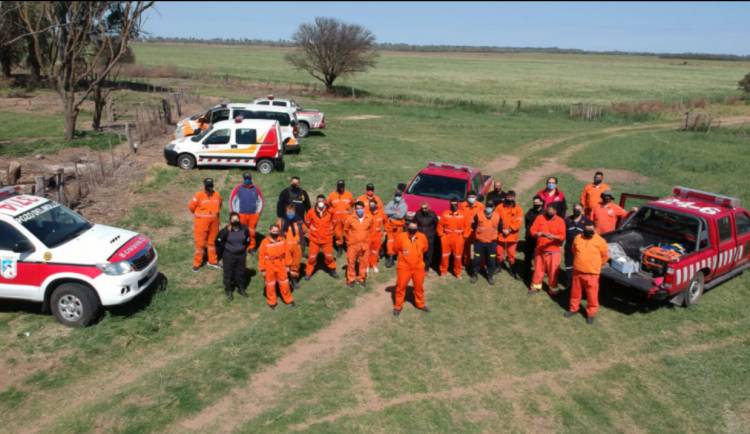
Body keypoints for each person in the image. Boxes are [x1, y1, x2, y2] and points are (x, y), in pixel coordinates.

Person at [565, 222, 608, 325]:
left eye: (590, 231)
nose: (588, 233)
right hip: (577, 271)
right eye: (586, 231)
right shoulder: (578, 238)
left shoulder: (601, 241)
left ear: (594, 230)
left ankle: (591, 314)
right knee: (575, 293)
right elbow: (574, 250)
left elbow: (605, 256)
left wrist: (596, 265)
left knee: (592, 295)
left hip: (592, 274)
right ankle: (573, 309)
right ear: (583, 230)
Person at [393, 219, 430, 316]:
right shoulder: (401, 237)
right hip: (404, 267)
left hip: (418, 267)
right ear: (407, 227)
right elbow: (396, 249)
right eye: (411, 227)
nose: (412, 229)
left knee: (419, 287)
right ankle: (398, 306)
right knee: (400, 287)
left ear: (417, 228)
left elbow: (425, 248)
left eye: (414, 228)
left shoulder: (422, 237)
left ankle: (420, 304)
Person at [529, 204, 566, 295]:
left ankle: (553, 289)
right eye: (548, 209)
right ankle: (535, 286)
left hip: (554, 251)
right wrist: (537, 234)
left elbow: (562, 236)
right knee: (538, 269)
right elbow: (532, 230)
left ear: (555, 211)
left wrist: (554, 237)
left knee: (553, 271)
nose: (549, 211)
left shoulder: (560, 221)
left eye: (552, 210)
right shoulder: (539, 218)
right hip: (540, 249)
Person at [258, 224, 295, 309]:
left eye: (277, 231)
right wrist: (262, 269)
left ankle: (288, 300)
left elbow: (287, 253)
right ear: (269, 231)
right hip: (269, 265)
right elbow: (261, 256)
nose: (275, 233)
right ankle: (272, 302)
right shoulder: (264, 242)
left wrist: (288, 265)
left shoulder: (282, 240)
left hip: (281, 264)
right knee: (270, 284)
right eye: (273, 231)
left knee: (284, 283)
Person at [189, 178, 222, 271]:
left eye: (211, 186)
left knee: (212, 242)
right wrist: (200, 217)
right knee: (200, 244)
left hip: (214, 223)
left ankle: (212, 261)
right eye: (208, 186)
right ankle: (197, 263)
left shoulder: (217, 195)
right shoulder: (198, 195)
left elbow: (220, 205)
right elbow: (191, 207)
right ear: (205, 187)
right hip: (201, 224)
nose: (209, 188)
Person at [215, 212, 250, 300]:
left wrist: (242, 248)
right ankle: (229, 290)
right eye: (233, 219)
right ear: (230, 221)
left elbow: (247, 240)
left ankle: (241, 288)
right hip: (229, 255)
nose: (235, 220)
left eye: (237, 219)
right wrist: (223, 251)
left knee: (241, 272)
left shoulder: (244, 229)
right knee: (228, 273)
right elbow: (218, 241)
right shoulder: (225, 231)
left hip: (241, 255)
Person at [304, 195, 338, 279]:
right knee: (311, 258)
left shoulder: (330, 212)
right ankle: (308, 272)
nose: (321, 203)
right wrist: (313, 229)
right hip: (314, 240)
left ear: (325, 201)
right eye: (319, 201)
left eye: (322, 201)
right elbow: (307, 222)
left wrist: (330, 229)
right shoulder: (311, 212)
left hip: (327, 239)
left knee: (329, 257)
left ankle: (332, 269)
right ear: (316, 202)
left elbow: (334, 221)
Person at [229, 172, 264, 253]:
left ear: (251, 179)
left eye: (248, 178)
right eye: (246, 179)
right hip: (240, 214)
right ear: (243, 179)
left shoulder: (256, 189)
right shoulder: (238, 188)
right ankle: (240, 246)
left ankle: (251, 247)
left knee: (252, 232)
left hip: (253, 215)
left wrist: (258, 213)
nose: (247, 180)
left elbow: (261, 201)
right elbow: (232, 201)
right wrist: (234, 214)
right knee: (240, 231)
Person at [470, 200, 503, 285]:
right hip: (479, 242)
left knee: (491, 260)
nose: (489, 208)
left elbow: (500, 229)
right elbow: (473, 226)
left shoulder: (498, 217)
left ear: (493, 207)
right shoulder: (478, 215)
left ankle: (490, 276)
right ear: (485, 206)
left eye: (491, 206)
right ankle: (474, 274)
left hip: (492, 243)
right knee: (476, 259)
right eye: (488, 206)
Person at [437, 197, 470, 278]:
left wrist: (464, 236)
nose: (453, 205)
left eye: (455, 204)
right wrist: (441, 235)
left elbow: (467, 226)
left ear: (458, 204)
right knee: (444, 255)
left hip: (458, 238)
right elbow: (440, 225)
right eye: (452, 204)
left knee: (458, 256)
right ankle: (443, 271)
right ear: (449, 204)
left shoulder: (463, 214)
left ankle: (457, 272)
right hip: (446, 237)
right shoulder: (445, 213)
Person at [564, 203, 592, 289]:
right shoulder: (568, 220)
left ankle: (579, 285)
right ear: (572, 210)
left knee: (580, 266)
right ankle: (569, 284)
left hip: (582, 248)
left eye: (579, 209)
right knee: (569, 266)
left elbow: (591, 235)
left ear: (582, 210)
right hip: (569, 247)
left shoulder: (587, 221)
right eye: (575, 209)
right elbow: (563, 233)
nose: (576, 211)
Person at [344, 201, 372, 288]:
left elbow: (371, 230)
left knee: (364, 262)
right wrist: (349, 241)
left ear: (364, 208)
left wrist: (368, 241)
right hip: (353, 245)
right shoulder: (350, 218)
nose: (359, 210)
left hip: (365, 245)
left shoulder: (369, 218)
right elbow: (346, 230)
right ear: (355, 209)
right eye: (357, 209)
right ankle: (351, 279)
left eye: (361, 208)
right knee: (351, 262)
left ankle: (362, 278)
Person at [496, 190, 523, 279]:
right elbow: (496, 219)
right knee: (499, 253)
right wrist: (501, 229)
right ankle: (498, 267)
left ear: (514, 198)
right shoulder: (499, 207)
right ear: (505, 197)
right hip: (500, 234)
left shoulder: (518, 208)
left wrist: (510, 229)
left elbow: (519, 221)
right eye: (508, 197)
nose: (509, 198)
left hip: (512, 236)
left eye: (511, 197)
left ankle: (512, 270)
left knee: (511, 254)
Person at [460, 190, 485, 273]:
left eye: (473, 197)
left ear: (476, 197)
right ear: (467, 197)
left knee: (478, 248)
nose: (471, 198)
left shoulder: (481, 206)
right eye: (470, 197)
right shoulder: (462, 205)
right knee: (466, 248)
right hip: (466, 230)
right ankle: (466, 263)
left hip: (477, 231)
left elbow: (484, 217)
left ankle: (478, 263)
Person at [281, 204, 306, 289]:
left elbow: (304, 231)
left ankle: (294, 279)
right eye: (288, 211)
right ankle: (286, 279)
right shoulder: (282, 221)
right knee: (287, 264)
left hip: (297, 246)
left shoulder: (299, 221)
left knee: (296, 264)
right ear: (286, 211)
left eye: (292, 211)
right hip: (286, 247)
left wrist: (302, 244)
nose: (290, 212)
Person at [328, 179, 354, 257]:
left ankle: (348, 246)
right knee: (338, 234)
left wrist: (349, 211)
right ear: (337, 186)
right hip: (336, 219)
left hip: (346, 219)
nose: (341, 188)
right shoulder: (332, 195)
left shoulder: (349, 194)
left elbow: (352, 203)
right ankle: (340, 248)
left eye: (342, 186)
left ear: (344, 186)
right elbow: (328, 205)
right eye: (339, 187)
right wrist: (332, 211)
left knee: (348, 233)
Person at [383, 189, 408, 268]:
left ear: (401, 196)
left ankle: (397, 256)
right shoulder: (391, 202)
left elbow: (400, 215)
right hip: (390, 225)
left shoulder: (404, 205)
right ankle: (390, 258)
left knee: (398, 242)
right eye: (396, 195)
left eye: (399, 195)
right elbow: (385, 210)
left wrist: (391, 213)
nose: (397, 197)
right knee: (389, 241)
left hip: (399, 227)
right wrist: (395, 212)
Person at [523, 196, 545, 280]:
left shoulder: (544, 213)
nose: (535, 204)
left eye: (537, 203)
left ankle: (538, 275)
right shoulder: (530, 211)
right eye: (534, 203)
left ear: (541, 203)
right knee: (528, 256)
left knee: (539, 258)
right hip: (530, 238)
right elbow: (526, 223)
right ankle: (526, 272)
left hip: (539, 239)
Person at [415, 202, 439, 272]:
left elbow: (437, 224)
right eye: (422, 208)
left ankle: (427, 266)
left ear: (428, 207)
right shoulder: (418, 214)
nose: (424, 210)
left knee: (429, 252)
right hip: (420, 235)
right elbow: (414, 222)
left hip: (429, 236)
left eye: (425, 208)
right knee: (419, 251)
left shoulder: (432, 214)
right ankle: (418, 264)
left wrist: (434, 233)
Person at [367, 199, 386, 273]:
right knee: (367, 252)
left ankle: (374, 265)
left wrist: (385, 231)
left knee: (375, 251)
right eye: (370, 205)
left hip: (377, 236)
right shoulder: (367, 213)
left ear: (376, 205)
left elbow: (386, 222)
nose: (372, 206)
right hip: (368, 236)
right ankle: (367, 266)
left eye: (373, 205)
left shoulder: (381, 213)